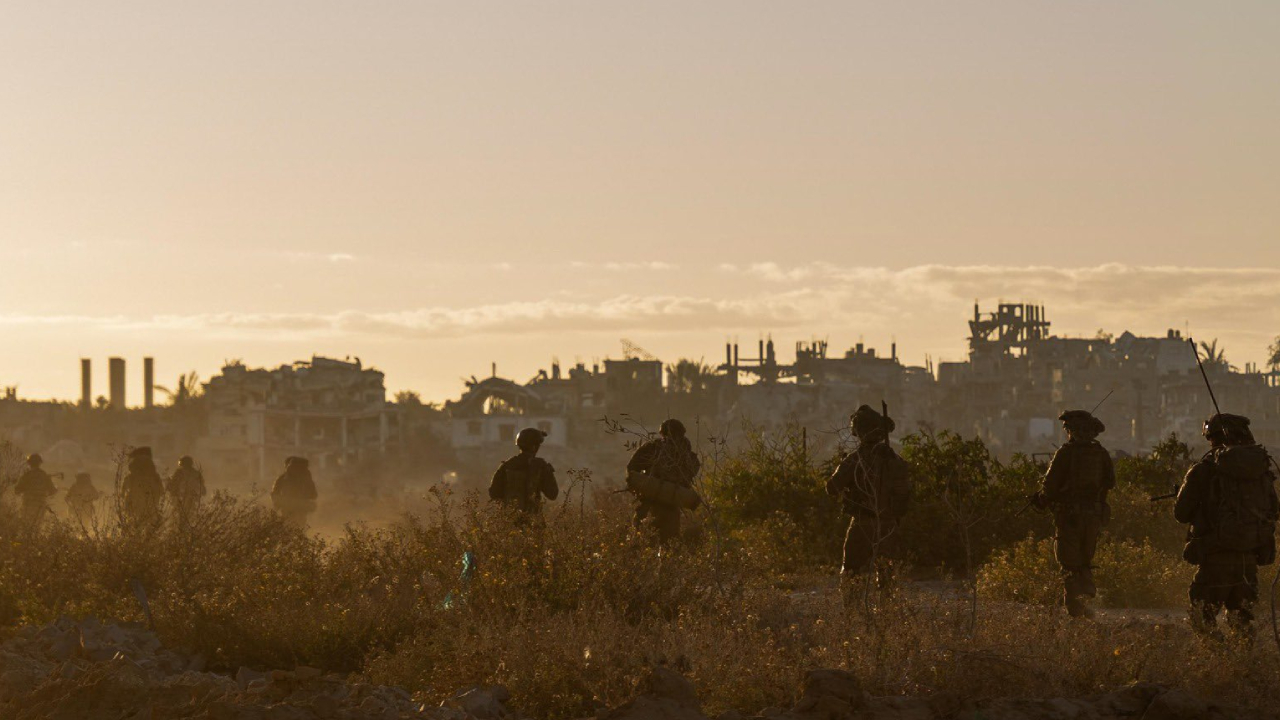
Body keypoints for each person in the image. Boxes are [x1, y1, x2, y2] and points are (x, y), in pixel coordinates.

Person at [1174, 413, 1278, 640]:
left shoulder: (1203, 470)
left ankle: (1218, 665)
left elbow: (1181, 513)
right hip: (1248, 559)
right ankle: (1243, 669)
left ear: (1212, 438)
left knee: (1202, 620)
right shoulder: (1260, 471)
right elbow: (1273, 510)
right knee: (1242, 622)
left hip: (1214, 558)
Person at [1034, 410, 1114, 619]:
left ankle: (1076, 612)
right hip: (1093, 517)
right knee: (1085, 561)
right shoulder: (1101, 453)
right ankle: (1086, 600)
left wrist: (1041, 500)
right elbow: (1110, 482)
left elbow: (1049, 487)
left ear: (1072, 430)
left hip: (1070, 519)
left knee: (1069, 564)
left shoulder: (1066, 453)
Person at [826, 405, 911, 598]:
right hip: (888, 524)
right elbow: (904, 495)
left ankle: (852, 616)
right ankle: (885, 616)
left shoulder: (854, 461)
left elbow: (831, 488)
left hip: (862, 524)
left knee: (850, 574)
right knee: (887, 578)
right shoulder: (896, 461)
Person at [627, 419, 701, 543]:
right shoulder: (690, 456)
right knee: (668, 548)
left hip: (648, 504)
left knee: (640, 545)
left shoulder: (652, 448)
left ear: (662, 433)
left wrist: (643, 486)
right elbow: (689, 478)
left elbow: (631, 470)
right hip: (671, 509)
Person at [489, 428, 559, 514]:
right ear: (534, 447)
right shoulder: (540, 466)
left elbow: (493, 493)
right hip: (533, 520)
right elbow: (553, 494)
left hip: (510, 520)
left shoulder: (507, 465)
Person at [121, 446, 165, 526]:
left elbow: (123, 491)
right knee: (150, 521)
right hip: (151, 502)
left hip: (135, 502)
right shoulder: (154, 476)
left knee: (133, 522)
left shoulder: (132, 476)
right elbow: (161, 491)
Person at [272, 456, 318, 527]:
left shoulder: (283, 477)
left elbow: (274, 493)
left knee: (288, 527)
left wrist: (278, 504)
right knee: (300, 526)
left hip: (287, 507)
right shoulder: (306, 477)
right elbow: (314, 494)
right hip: (300, 508)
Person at [14, 454, 57, 525]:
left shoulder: (26, 475)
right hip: (40, 505)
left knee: (26, 526)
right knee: (37, 526)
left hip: (27, 505)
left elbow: (17, 490)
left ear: (30, 464)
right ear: (39, 463)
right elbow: (53, 491)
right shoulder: (44, 475)